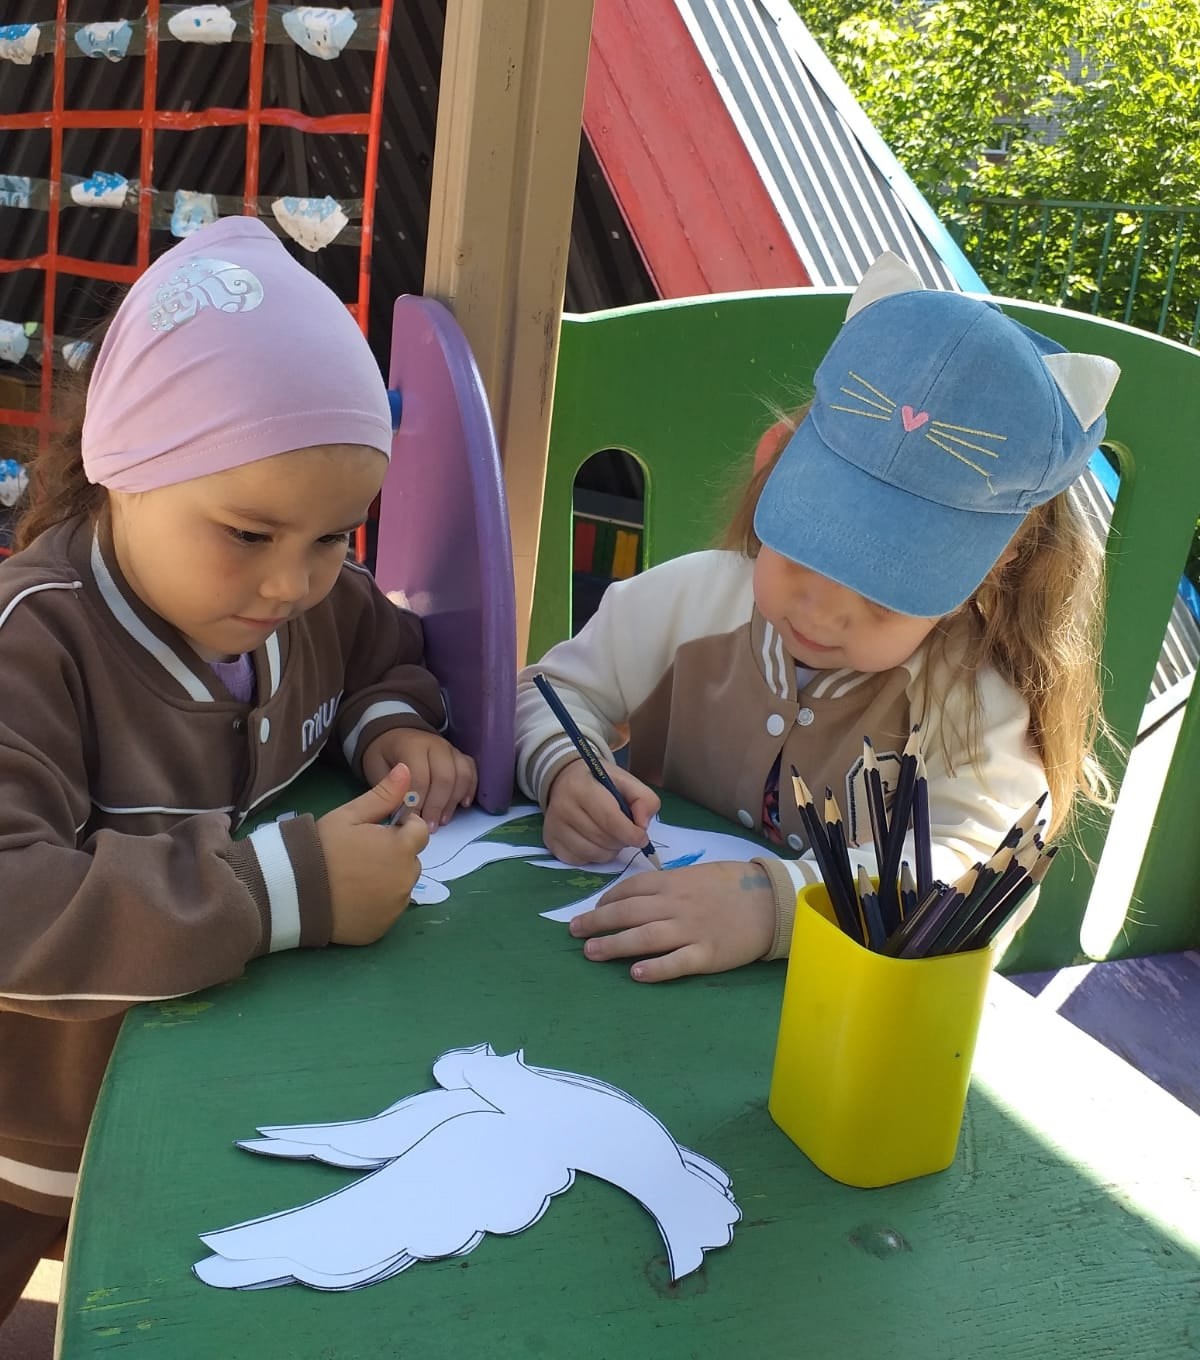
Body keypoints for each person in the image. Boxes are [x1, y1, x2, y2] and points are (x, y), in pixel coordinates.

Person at [0, 217, 476, 1324]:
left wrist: (392, 727)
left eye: (334, 537)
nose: (294, 583)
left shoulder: (307, 607)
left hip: (200, 1125)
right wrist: (280, 891)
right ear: (125, 471)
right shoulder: (33, 643)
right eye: (251, 534)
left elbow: (382, 648)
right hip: (23, 1136)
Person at [515, 254, 1119, 984]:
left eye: (886, 594)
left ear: (994, 563)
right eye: (805, 551)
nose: (824, 613)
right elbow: (548, 693)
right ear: (776, 466)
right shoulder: (690, 600)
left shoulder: (968, 700)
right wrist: (566, 769)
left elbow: (980, 869)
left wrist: (779, 906)